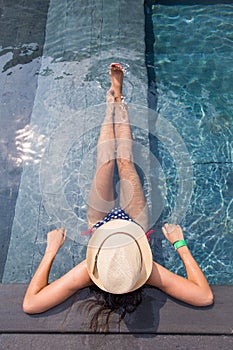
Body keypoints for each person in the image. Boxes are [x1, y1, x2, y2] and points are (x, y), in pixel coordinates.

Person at [23, 63, 213, 330]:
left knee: (105, 163)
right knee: (123, 160)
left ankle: (109, 106)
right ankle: (118, 99)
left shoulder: (90, 271)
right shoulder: (146, 274)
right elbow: (204, 296)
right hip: (136, 225)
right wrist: (180, 244)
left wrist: (51, 251)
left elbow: (31, 304)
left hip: (99, 225)